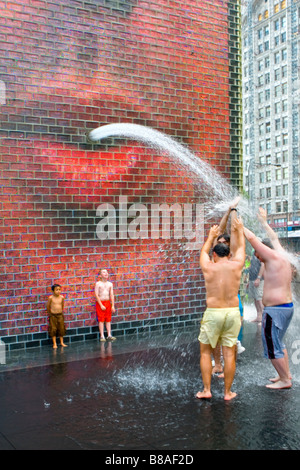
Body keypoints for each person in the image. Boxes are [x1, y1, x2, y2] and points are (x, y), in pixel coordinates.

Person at [244, 208, 294, 390]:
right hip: (286, 307)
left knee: (272, 346)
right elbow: (273, 238)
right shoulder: (281, 254)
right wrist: (264, 223)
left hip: (275, 310)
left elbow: (252, 239)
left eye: (257, 254)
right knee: (279, 342)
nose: (257, 256)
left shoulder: (271, 257)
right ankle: (285, 374)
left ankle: (284, 380)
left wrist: (239, 225)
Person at [197, 216, 245, 401]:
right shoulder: (237, 264)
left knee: (205, 352)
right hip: (232, 312)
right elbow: (241, 248)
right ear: (228, 254)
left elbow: (203, 252)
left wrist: (210, 237)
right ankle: (227, 393)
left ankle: (207, 390)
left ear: (214, 255)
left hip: (214, 313)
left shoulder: (208, 266)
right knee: (229, 353)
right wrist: (239, 230)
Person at [94, 269, 116, 342]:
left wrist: (112, 305)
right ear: (100, 275)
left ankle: (109, 335)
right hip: (101, 303)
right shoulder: (98, 284)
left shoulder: (110, 284)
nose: (106, 273)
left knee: (108, 319)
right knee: (101, 319)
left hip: (107, 302)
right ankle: (102, 335)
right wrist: (100, 305)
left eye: (107, 272)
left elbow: (112, 295)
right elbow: (96, 295)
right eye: (104, 272)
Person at [46, 284, 67, 349]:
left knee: (61, 328)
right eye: (56, 290)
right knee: (53, 328)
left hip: (60, 315)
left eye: (59, 290)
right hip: (53, 315)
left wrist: (60, 311)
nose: (58, 291)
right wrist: (50, 313)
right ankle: (54, 343)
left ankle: (61, 342)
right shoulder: (51, 298)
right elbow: (48, 306)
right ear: (53, 291)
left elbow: (62, 305)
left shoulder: (62, 297)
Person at [247, 252, 264, 322]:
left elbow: (263, 265)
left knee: (259, 299)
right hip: (252, 279)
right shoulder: (253, 253)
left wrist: (259, 278)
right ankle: (259, 316)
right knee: (255, 299)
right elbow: (251, 266)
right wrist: (248, 280)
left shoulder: (261, 252)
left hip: (259, 279)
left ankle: (264, 318)